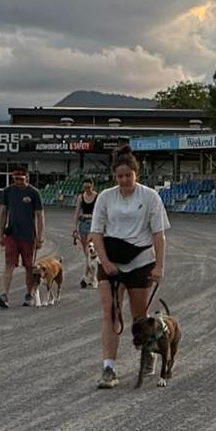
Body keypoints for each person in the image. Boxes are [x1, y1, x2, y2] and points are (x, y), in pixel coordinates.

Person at [89, 145, 170, 389]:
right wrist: (105, 263)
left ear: (137, 173)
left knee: (139, 316)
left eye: (129, 175)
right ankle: (108, 367)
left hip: (140, 261)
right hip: (111, 261)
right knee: (110, 313)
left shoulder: (149, 197)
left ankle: (149, 357)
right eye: (120, 176)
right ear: (114, 176)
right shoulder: (105, 197)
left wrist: (159, 266)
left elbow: (159, 234)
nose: (124, 180)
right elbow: (95, 233)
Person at [0, 166, 44, 308]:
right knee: (9, 264)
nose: (18, 181)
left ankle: (29, 294)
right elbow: (3, 212)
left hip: (28, 236)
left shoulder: (33, 192)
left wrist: (40, 237)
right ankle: (5, 295)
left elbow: (40, 215)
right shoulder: (8, 191)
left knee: (29, 266)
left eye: (21, 179)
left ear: (26, 178)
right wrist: (1, 234)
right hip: (12, 234)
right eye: (16, 179)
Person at [72, 178, 98, 281]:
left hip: (93, 224)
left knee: (91, 251)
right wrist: (74, 227)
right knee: (86, 252)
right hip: (83, 224)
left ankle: (87, 276)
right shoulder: (81, 197)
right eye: (85, 187)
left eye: (89, 187)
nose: (87, 189)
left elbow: (100, 213)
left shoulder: (97, 197)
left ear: (92, 186)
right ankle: (90, 275)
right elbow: (77, 212)